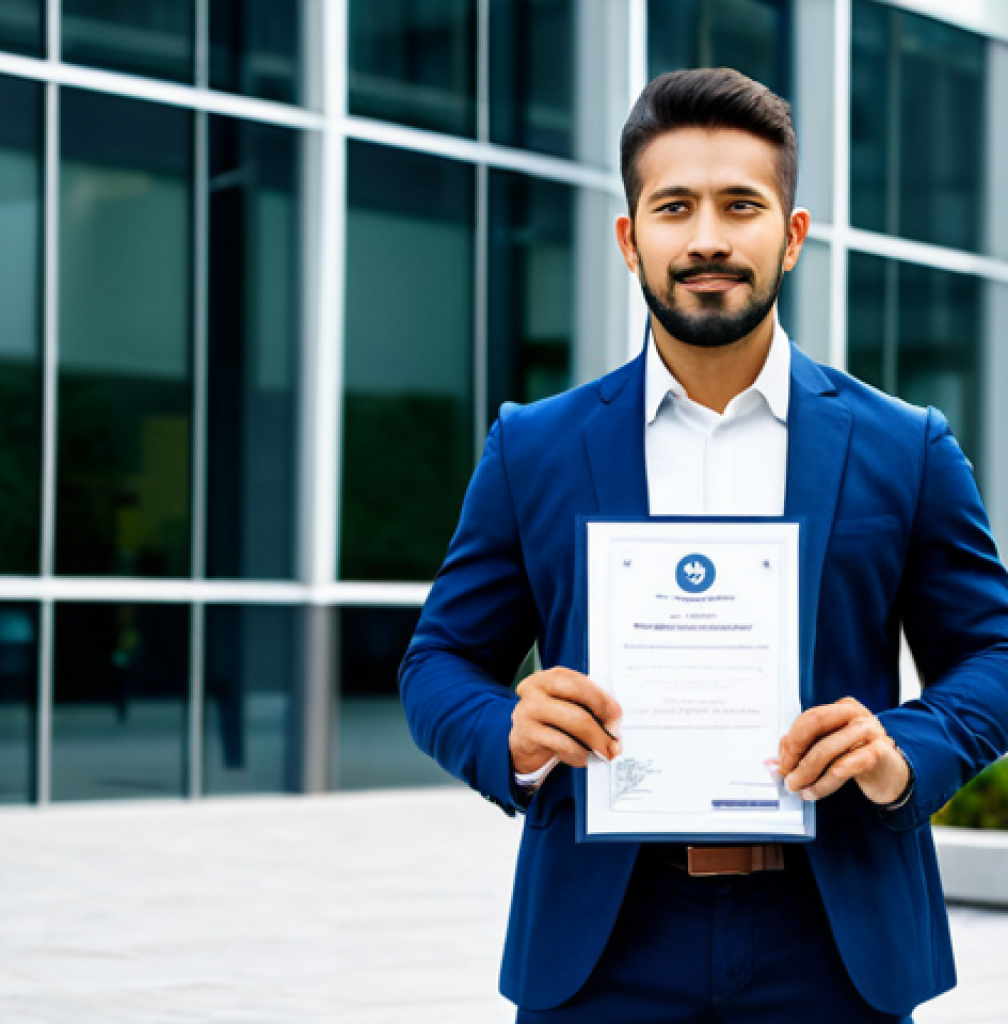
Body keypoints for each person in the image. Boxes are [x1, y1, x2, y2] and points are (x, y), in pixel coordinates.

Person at [398, 67, 1008, 1023]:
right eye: (675, 206)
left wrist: (903, 746)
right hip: (603, 939)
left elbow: (993, 654)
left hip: (836, 938)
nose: (709, 238)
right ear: (629, 237)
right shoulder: (535, 446)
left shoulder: (906, 446)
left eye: (742, 205)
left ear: (792, 236)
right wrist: (506, 737)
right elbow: (438, 662)